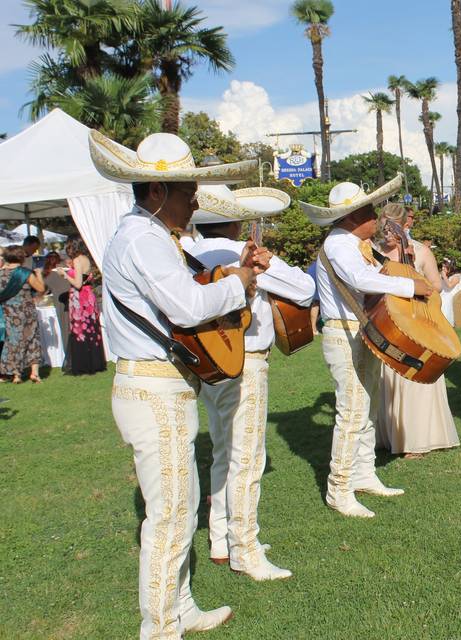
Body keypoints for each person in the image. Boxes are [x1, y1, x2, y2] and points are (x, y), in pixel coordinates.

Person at [90, 129, 266, 638]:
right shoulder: (143, 238)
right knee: (170, 516)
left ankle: (180, 606)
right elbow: (187, 307)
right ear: (156, 192)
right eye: (187, 189)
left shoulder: (147, 236)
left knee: (181, 508)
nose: (195, 200)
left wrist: (232, 277)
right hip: (154, 391)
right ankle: (161, 626)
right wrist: (239, 284)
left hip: (161, 388)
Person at [190, 184, 315, 581]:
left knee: (225, 449)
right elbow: (305, 288)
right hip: (246, 360)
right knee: (248, 456)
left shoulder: (188, 255)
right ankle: (244, 546)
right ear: (235, 218)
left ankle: (221, 537)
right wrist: (269, 262)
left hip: (207, 362)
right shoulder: (239, 257)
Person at [303, 174, 434, 518]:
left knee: (368, 406)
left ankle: (363, 473)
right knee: (351, 412)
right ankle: (339, 488)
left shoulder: (355, 245)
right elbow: (360, 280)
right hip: (343, 333)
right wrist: (409, 288)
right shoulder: (338, 244)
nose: (374, 217)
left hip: (361, 331)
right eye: (367, 212)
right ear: (350, 218)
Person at [373, 203, 460, 457]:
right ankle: (389, 436)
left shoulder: (421, 251)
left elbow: (437, 286)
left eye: (392, 226)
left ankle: (418, 438)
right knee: (388, 377)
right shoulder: (373, 250)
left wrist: (412, 275)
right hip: (388, 322)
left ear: (404, 225)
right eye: (383, 224)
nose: (386, 231)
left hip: (417, 322)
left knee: (415, 377)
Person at [58, 234, 106, 375]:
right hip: (88, 297)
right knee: (91, 329)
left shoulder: (78, 260)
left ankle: (83, 364)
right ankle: (94, 362)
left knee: (80, 330)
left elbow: (78, 283)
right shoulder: (85, 259)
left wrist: (65, 275)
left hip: (80, 299)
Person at [0, 246, 44, 383]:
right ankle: (34, 373)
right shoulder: (25, 273)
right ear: (21, 258)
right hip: (27, 312)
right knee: (32, 340)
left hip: (9, 312)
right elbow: (41, 288)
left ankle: (16, 374)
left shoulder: (1, 274)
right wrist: (39, 274)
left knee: (13, 341)